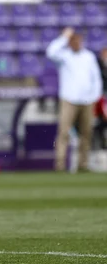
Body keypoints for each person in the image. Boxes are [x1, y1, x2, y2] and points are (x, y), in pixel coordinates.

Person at [46, 27, 103, 172]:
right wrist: (64, 37)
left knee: (86, 133)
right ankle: (60, 165)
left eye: (78, 40)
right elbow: (50, 52)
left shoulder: (89, 57)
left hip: (87, 101)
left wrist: (95, 96)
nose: (76, 43)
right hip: (69, 99)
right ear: (70, 43)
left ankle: (83, 165)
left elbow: (96, 78)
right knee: (63, 132)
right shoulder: (65, 56)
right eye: (73, 41)